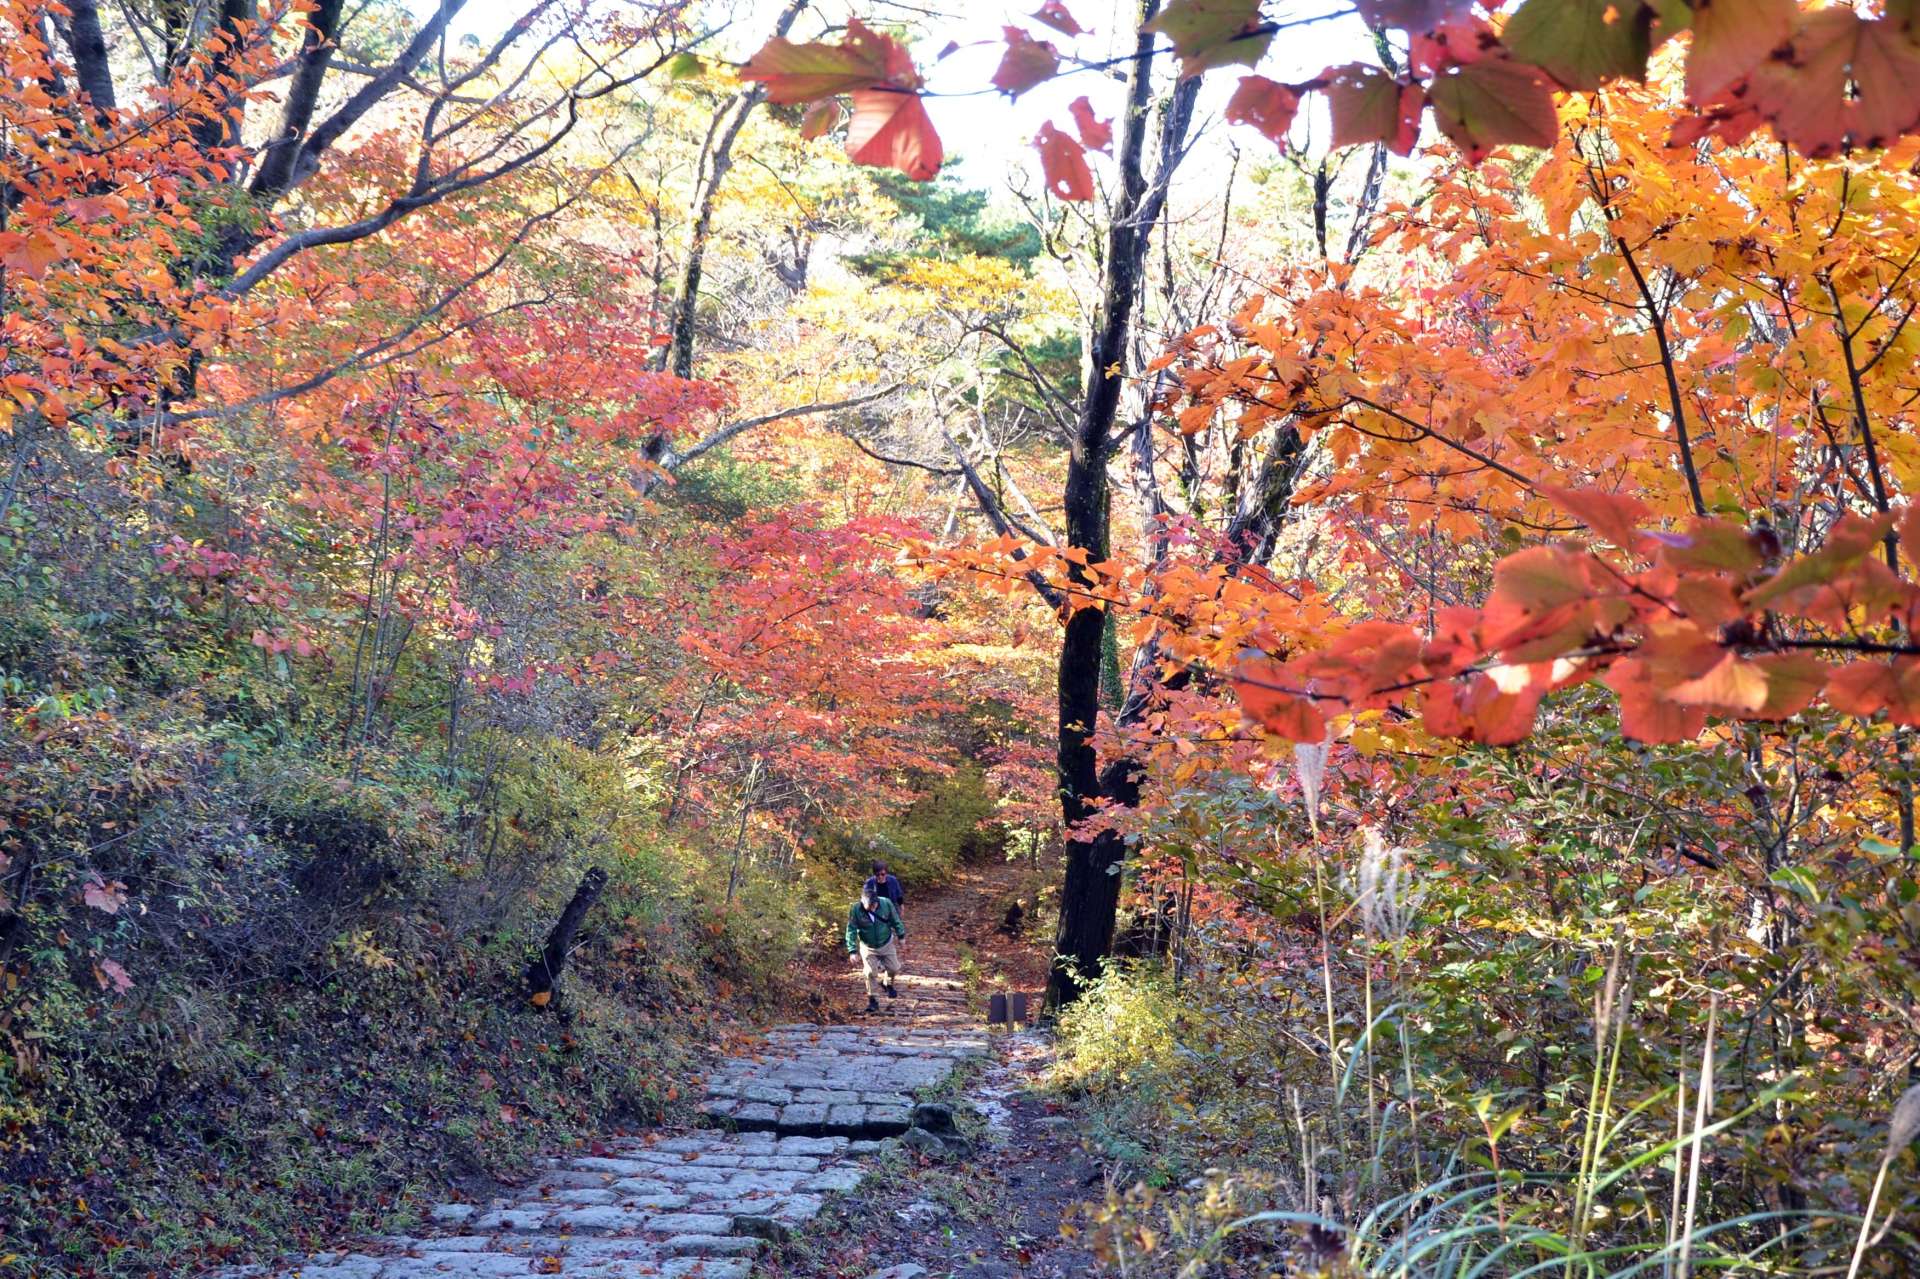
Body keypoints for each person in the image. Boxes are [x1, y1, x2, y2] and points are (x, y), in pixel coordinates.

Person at [845, 882, 906, 1014]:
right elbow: (851, 930)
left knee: (894, 968)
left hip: (886, 942)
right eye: (869, 907)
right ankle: (873, 1000)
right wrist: (852, 951)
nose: (873, 908)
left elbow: (895, 919)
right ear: (863, 903)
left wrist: (901, 935)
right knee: (870, 972)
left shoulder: (886, 903)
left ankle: (887, 984)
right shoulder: (855, 909)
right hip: (868, 946)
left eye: (874, 905)